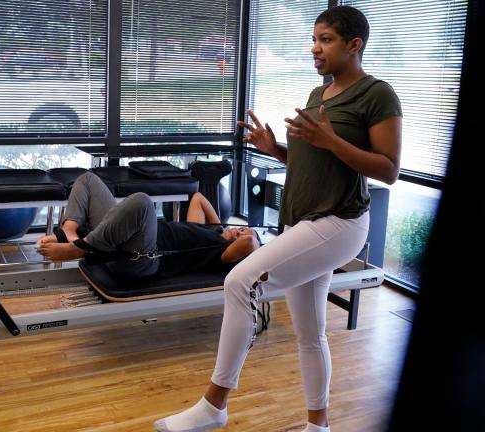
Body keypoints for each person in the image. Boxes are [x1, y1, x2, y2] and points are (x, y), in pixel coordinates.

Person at [154, 6, 402, 432]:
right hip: (303, 221)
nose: (315, 48)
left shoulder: (377, 95)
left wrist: (330, 139)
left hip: (339, 222)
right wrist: (275, 150)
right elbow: (313, 165)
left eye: (325, 39)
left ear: (354, 45)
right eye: (314, 39)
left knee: (240, 281)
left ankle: (214, 404)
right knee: (310, 333)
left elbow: (388, 169)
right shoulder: (316, 95)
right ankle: (318, 426)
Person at [36, 171, 260, 278]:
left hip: (145, 257)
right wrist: (221, 226)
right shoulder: (210, 230)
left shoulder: (221, 255)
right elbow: (198, 197)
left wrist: (252, 240)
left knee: (142, 202)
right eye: (240, 228)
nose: (239, 231)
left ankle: (78, 248)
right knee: (87, 180)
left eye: (241, 232)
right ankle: (69, 231)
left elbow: (250, 243)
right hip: (132, 237)